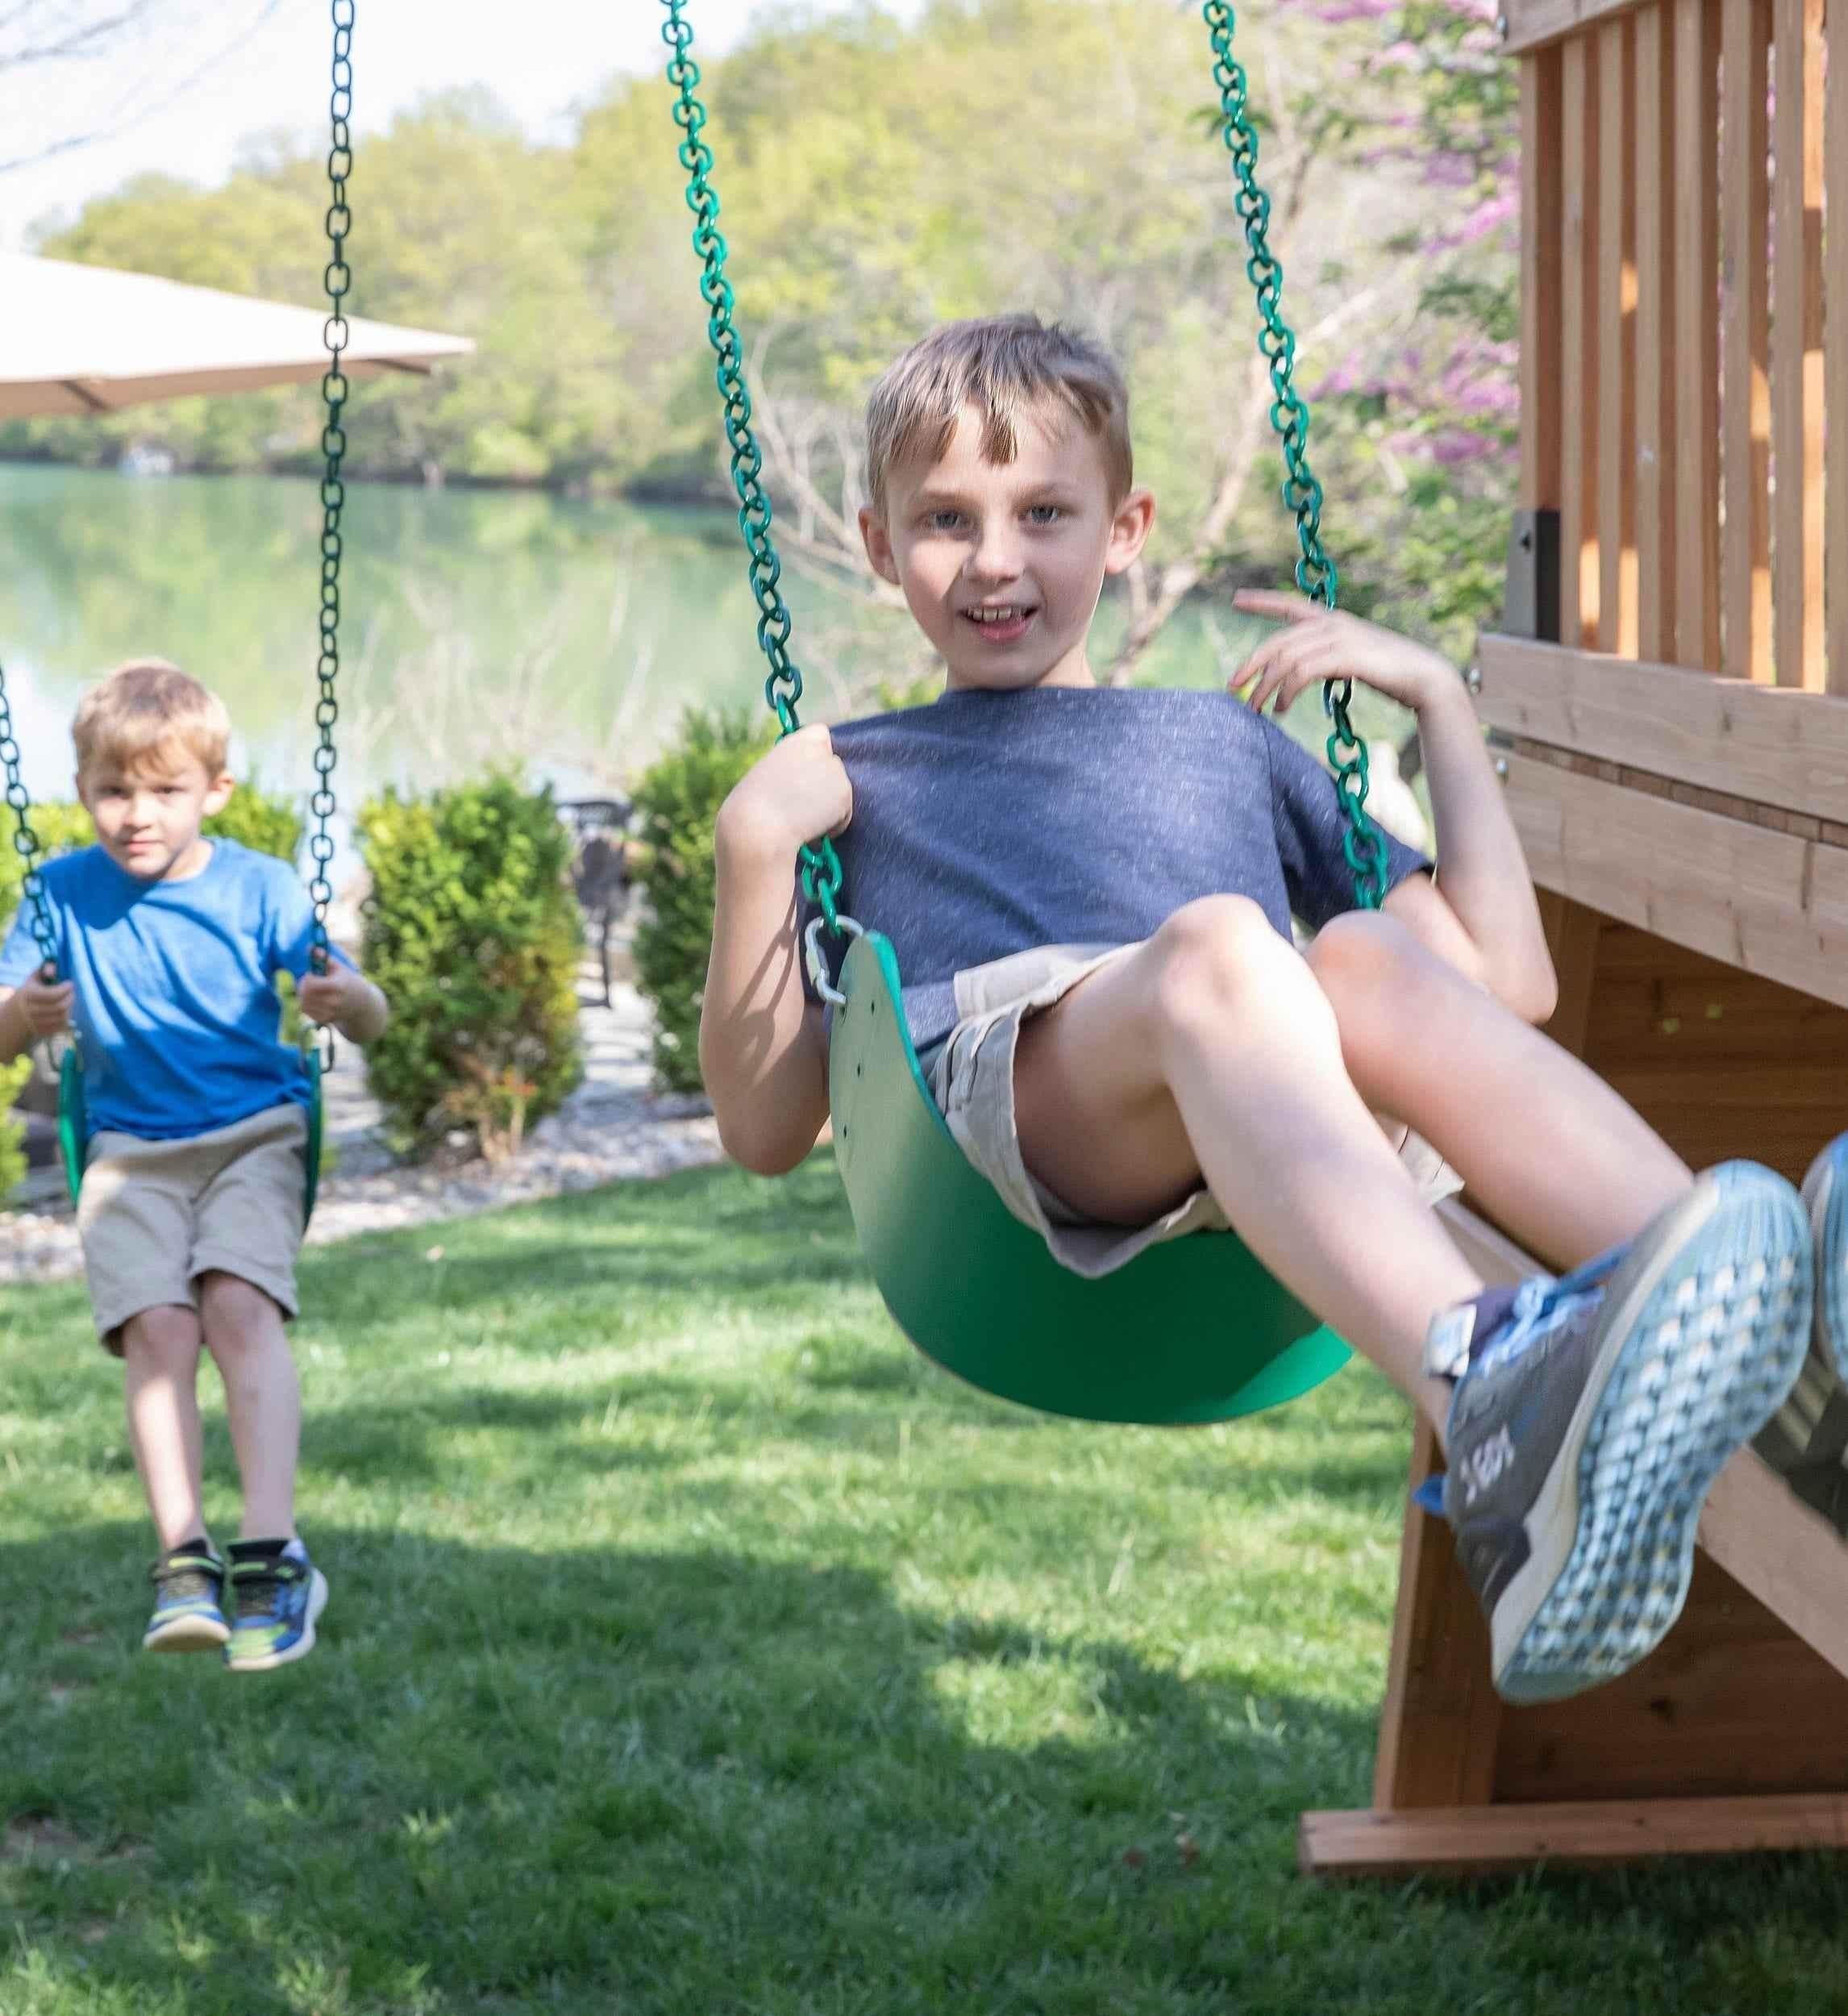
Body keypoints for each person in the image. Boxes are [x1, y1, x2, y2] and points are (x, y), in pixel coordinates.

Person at [697, 313, 1839, 1706]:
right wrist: (757, 849)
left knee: (1354, 953)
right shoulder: (853, 776)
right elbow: (765, 1126)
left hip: (1282, 1124)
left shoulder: (1222, 739)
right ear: (882, 548)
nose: (996, 560)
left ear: (1124, 530)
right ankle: (1492, 1395)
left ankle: (1774, 1345)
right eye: (946, 519)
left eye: (1042, 512)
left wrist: (1437, 702)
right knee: (1233, 949)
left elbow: (1503, 990)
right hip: (1031, 1118)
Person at [0, 660, 389, 1671]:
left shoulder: (262, 885)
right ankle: (183, 1563)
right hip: (129, 1152)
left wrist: (349, 1001)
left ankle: (273, 1553)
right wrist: (21, 1016)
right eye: (113, 791)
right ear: (83, 791)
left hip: (254, 1134)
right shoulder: (59, 893)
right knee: (157, 1331)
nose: (135, 815)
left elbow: (366, 1010)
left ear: (216, 792)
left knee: (236, 1307)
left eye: (165, 790)